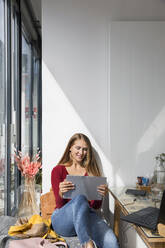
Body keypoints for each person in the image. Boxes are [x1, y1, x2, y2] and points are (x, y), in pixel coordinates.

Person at [51, 133, 119, 248]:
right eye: (78, 148)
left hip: (85, 216)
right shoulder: (58, 170)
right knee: (80, 198)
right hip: (62, 220)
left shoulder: (91, 172)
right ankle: (87, 243)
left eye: (85, 149)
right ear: (70, 148)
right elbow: (59, 205)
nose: (81, 152)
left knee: (112, 241)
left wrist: (99, 195)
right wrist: (60, 193)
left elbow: (95, 206)